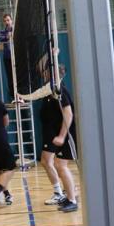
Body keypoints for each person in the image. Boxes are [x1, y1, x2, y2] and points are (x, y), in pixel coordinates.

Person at [40, 66, 78, 212]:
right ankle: (69, 196)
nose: (43, 74)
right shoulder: (50, 90)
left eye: (46, 71)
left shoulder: (59, 90)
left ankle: (72, 200)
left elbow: (68, 113)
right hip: (56, 133)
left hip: (66, 134)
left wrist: (62, 136)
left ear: (53, 73)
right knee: (57, 164)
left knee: (61, 165)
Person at [0, 13, 14, 102]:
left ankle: (22, 96)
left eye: (8, 20)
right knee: (10, 77)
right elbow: (2, 40)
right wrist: (8, 36)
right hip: (7, 58)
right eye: (5, 21)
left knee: (18, 76)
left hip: (17, 57)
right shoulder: (2, 32)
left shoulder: (16, 30)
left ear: (11, 20)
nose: (6, 22)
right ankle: (13, 96)